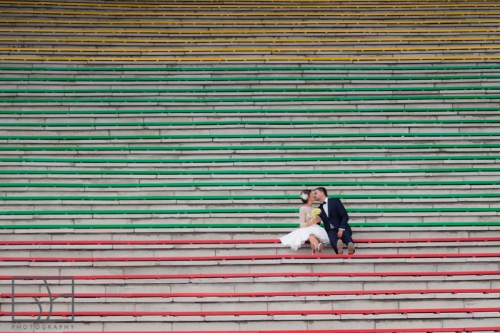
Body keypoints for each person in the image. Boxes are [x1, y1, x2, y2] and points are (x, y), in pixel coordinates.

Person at [314, 187, 355, 255]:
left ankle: (351, 249)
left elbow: (345, 216)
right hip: (330, 230)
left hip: (341, 226)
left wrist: (341, 229)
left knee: (346, 235)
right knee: (332, 238)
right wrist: (316, 220)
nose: (314, 195)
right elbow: (318, 223)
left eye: (316, 193)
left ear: (322, 193)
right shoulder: (318, 209)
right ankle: (339, 251)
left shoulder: (335, 201)